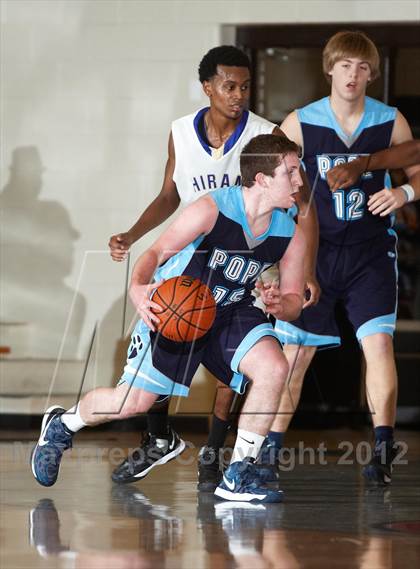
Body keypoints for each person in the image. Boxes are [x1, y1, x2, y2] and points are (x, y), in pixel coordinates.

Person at [31, 134, 305, 503]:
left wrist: (278, 304)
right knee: (130, 404)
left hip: (231, 312)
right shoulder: (211, 210)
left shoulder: (290, 232)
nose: (301, 180)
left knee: (274, 366)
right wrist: (138, 288)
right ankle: (63, 425)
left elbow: (293, 302)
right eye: (291, 171)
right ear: (262, 179)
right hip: (179, 310)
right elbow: (156, 252)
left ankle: (239, 474)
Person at [108, 46, 319, 490]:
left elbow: (301, 204)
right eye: (229, 86)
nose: (238, 94)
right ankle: (159, 436)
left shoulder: (265, 134)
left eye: (245, 86)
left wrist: (305, 271)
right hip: (195, 258)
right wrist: (133, 233)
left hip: (250, 254)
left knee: (242, 363)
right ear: (207, 87)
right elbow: (169, 195)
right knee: (171, 333)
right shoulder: (181, 132)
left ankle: (215, 452)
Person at [262, 31, 420, 485]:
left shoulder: (390, 120)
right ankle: (269, 452)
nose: (353, 74)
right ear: (329, 68)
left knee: (379, 346)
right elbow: (269, 182)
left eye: (362, 67)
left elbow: (416, 171)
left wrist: (403, 192)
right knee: (294, 356)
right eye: (345, 65)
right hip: (315, 252)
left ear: (372, 73)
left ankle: (383, 450)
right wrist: (275, 250)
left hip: (370, 253)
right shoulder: (299, 123)